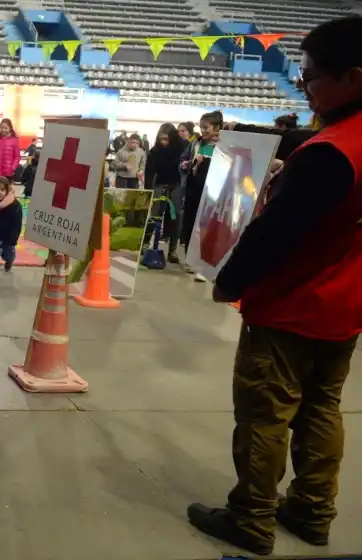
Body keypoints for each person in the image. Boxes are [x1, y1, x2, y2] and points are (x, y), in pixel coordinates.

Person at [186, 16, 362, 557]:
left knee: (266, 415)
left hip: (292, 306)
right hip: (345, 308)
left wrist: (229, 279)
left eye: (311, 76)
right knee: (321, 410)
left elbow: (276, 232)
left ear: (353, 77)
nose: (304, 87)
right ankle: (312, 511)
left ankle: (252, 519)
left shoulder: (333, 150)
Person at [179, 110, 222, 282]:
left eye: (206, 127)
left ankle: (205, 266)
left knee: (208, 227)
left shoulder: (223, 144)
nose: (202, 131)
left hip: (213, 193)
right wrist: (186, 164)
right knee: (190, 223)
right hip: (192, 189)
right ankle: (191, 259)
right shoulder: (195, 142)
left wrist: (210, 163)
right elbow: (184, 159)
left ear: (217, 127)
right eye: (201, 127)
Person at [144, 122, 186, 263]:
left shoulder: (183, 147)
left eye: (166, 139)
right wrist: (148, 191)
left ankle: (172, 250)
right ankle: (145, 244)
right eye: (161, 139)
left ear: (172, 137)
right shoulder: (155, 151)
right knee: (154, 214)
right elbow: (149, 172)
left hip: (177, 184)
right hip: (160, 183)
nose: (164, 142)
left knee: (176, 217)